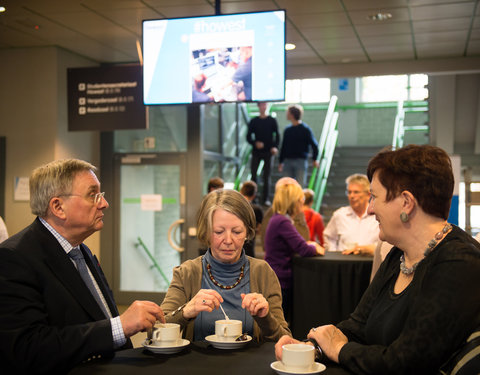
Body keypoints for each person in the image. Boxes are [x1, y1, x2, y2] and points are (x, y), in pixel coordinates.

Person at [275, 145, 480, 374]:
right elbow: (358, 325)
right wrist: (312, 348)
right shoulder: (398, 254)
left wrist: (340, 349)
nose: (370, 209)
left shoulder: (459, 262)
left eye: (374, 197)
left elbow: (407, 362)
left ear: (406, 203)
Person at [0, 159, 165, 374]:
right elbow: (27, 349)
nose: (104, 203)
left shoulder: (80, 249)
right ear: (58, 207)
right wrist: (119, 326)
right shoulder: (14, 258)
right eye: (93, 195)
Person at [161, 189, 290, 342]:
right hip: (197, 365)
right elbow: (155, 330)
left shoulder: (263, 272)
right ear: (206, 232)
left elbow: (285, 340)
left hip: (250, 365)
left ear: (247, 233)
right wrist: (186, 311)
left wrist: (265, 317)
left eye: (236, 232)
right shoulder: (186, 273)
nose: (228, 240)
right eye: (219, 231)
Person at [264, 182, 325, 323]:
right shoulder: (282, 221)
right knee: (281, 322)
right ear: (293, 201)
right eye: (300, 200)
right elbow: (303, 249)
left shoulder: (278, 219)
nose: (302, 203)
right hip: (280, 280)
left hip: (277, 276)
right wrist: (316, 248)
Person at [323, 173, 379, 255]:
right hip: (345, 262)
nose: (351, 196)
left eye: (356, 192)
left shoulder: (377, 216)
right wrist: (334, 254)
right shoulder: (340, 215)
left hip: (370, 262)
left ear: (368, 195)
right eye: (349, 192)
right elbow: (329, 237)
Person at [261, 177, 310, 247]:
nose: (302, 201)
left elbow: (305, 238)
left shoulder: (298, 213)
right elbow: (265, 244)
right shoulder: (276, 217)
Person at [246, 102, 280, 205]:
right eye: (261, 105)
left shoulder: (272, 120)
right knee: (253, 174)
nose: (263, 107)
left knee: (267, 175)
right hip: (256, 152)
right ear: (258, 106)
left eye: (265, 105)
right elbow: (248, 137)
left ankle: (266, 199)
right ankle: (253, 197)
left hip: (268, 152)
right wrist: (255, 143)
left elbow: (277, 135)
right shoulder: (254, 121)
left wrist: (275, 147)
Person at [278, 104, 319, 187]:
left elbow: (314, 145)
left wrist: (315, 159)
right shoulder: (287, 130)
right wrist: (281, 161)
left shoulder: (305, 129)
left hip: (300, 161)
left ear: (292, 115)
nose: (286, 114)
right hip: (288, 161)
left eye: (288, 113)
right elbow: (284, 147)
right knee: (286, 187)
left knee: (300, 186)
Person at [240, 180, 264, 257]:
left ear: (241, 191)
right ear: (254, 195)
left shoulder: (234, 207)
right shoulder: (257, 209)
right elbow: (259, 229)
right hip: (249, 245)